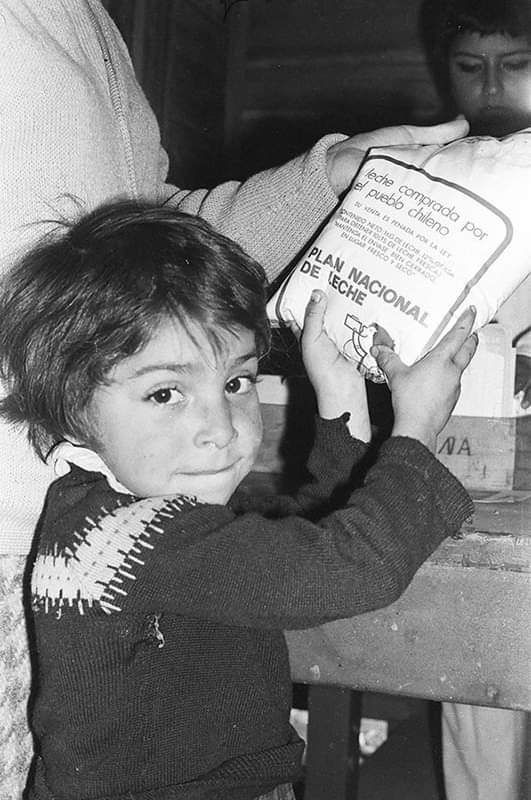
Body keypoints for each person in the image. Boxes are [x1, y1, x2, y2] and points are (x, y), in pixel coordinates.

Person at [0, 1, 471, 795]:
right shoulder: (119, 544)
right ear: (70, 413)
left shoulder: (136, 506)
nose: (220, 430)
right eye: (163, 395)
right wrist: (414, 432)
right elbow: (336, 574)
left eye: (236, 381)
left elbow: (296, 544)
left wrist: (338, 402)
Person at [420, 3, 531, 798]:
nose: (492, 86)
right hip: (475, 442)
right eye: (470, 66)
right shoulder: (426, 176)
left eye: (516, 62)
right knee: (479, 637)